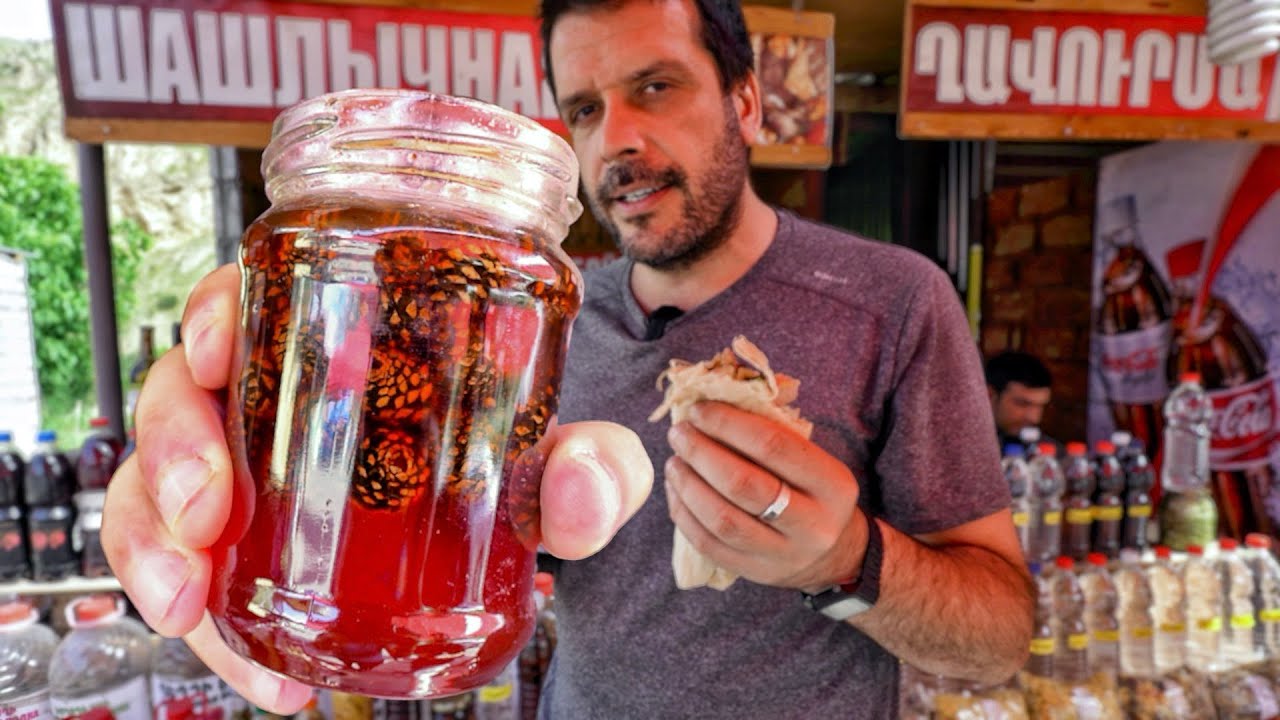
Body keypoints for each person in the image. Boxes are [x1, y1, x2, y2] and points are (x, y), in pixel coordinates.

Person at [102, 0, 1033, 716]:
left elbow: (997, 638)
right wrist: (241, 454)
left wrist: (847, 559)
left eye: (657, 87)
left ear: (747, 99)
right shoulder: (533, 321)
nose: (616, 138)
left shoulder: (893, 301)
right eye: (584, 108)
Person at [985, 350, 1054, 450]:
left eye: (1041, 406)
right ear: (990, 396)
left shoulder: (1048, 451)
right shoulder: (964, 446)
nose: (1034, 418)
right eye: (1022, 404)